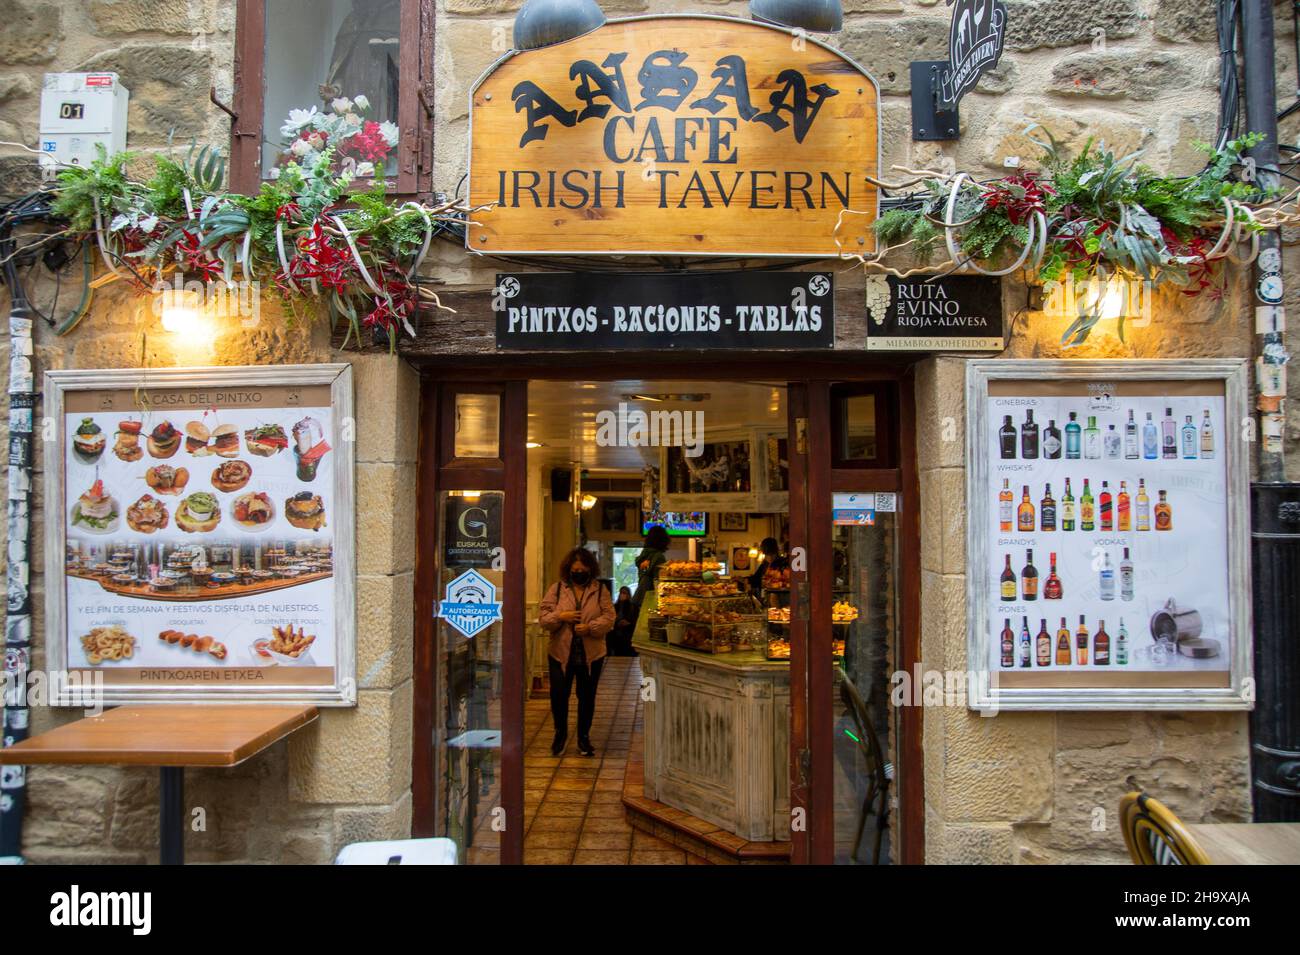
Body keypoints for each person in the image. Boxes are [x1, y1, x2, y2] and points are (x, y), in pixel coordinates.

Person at [539, 547, 615, 757]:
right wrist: (561, 616)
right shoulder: (556, 589)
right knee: (559, 696)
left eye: (583, 569)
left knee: (587, 697)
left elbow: (610, 617)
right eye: (575, 569)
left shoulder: (600, 590)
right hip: (560, 653)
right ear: (569, 569)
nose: (579, 572)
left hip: (591, 655)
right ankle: (560, 734)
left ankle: (583, 737)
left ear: (590, 569)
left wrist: (590, 627)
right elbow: (544, 618)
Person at [631, 524, 670, 641]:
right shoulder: (659, 557)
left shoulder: (644, 554)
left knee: (642, 631)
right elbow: (659, 582)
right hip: (650, 598)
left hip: (639, 596)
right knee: (652, 633)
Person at [609, 586, 637, 657]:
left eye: (624, 593)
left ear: (628, 594)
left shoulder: (633, 607)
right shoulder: (615, 606)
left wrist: (629, 623)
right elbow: (610, 620)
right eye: (621, 593)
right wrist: (617, 623)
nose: (622, 595)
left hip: (628, 637)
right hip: (617, 637)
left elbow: (636, 622)